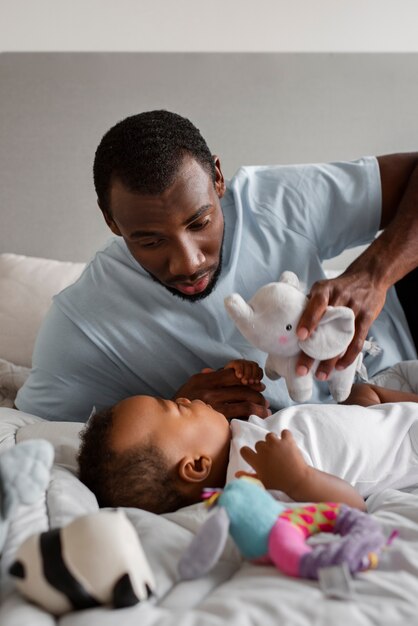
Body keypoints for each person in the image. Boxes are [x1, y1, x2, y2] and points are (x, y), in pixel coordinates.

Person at [15, 110, 418, 422]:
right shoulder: (82, 326)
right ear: (111, 222)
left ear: (218, 179)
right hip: (345, 423)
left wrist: (373, 273)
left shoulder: (269, 201)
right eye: (150, 240)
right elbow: (35, 434)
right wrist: (173, 411)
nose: (188, 262)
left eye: (200, 222)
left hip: (400, 330)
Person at [77, 359, 418, 515]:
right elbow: (352, 506)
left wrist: (240, 375)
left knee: (362, 391)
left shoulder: (234, 444)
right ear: (196, 465)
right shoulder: (252, 487)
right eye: (175, 408)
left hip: (369, 414)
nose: (182, 397)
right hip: (406, 448)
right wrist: (299, 479)